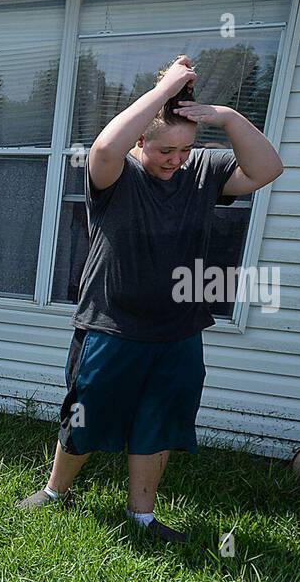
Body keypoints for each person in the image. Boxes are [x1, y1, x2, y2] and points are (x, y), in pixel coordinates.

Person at [17, 55, 284, 542]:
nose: (175, 160)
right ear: (142, 140)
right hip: (110, 324)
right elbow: (105, 145)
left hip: (178, 331)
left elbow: (267, 169)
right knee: (85, 411)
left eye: (185, 149)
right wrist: (164, 90)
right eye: (165, 150)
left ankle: (141, 515)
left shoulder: (202, 171)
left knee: (158, 420)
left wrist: (226, 117)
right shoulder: (115, 174)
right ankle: (56, 492)